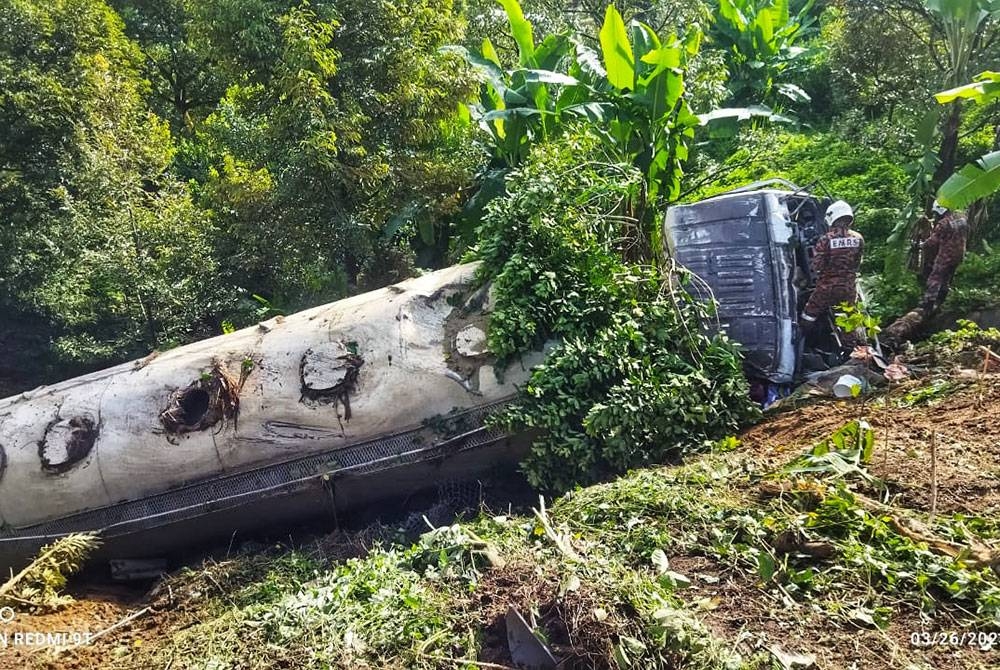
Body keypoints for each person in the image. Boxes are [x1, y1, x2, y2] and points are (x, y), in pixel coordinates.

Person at [801, 200, 864, 333]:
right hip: (849, 288)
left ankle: (800, 342)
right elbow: (857, 263)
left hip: (826, 288)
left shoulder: (826, 239)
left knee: (809, 315)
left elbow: (817, 265)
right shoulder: (858, 238)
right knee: (849, 319)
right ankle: (851, 348)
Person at [920, 200, 968, 312]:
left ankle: (929, 303)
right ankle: (941, 300)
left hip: (946, 255)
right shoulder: (962, 217)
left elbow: (933, 241)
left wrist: (922, 245)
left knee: (935, 277)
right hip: (959, 254)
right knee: (947, 277)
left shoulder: (944, 223)